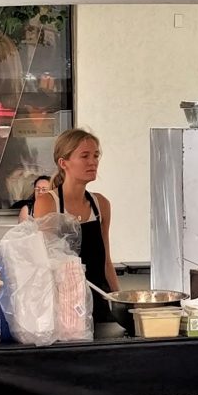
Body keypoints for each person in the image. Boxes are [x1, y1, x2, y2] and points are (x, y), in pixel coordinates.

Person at [25, 128, 120, 323]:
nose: (92, 162)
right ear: (63, 162)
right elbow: (45, 263)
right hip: (64, 306)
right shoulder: (48, 203)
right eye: (84, 156)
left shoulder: (101, 204)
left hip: (99, 300)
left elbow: (106, 260)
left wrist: (120, 300)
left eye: (95, 156)